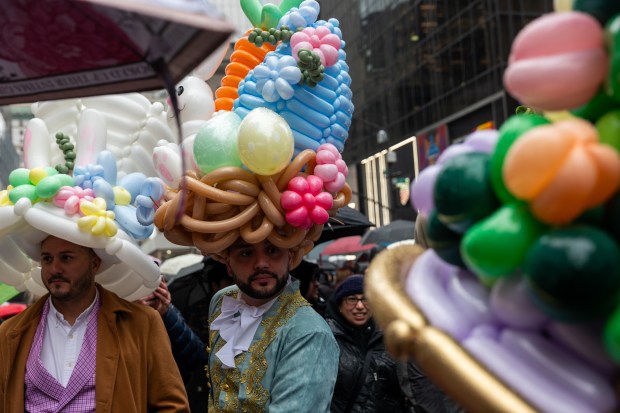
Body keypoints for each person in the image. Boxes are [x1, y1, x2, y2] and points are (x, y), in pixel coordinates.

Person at [0, 235, 190, 412]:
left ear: (95, 264)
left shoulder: (142, 324)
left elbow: (171, 405)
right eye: (47, 259)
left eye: (66, 258)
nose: (54, 269)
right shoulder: (11, 332)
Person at [326, 275, 462, 413]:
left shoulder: (392, 336)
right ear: (340, 305)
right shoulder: (327, 338)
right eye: (352, 299)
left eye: (366, 299)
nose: (360, 306)